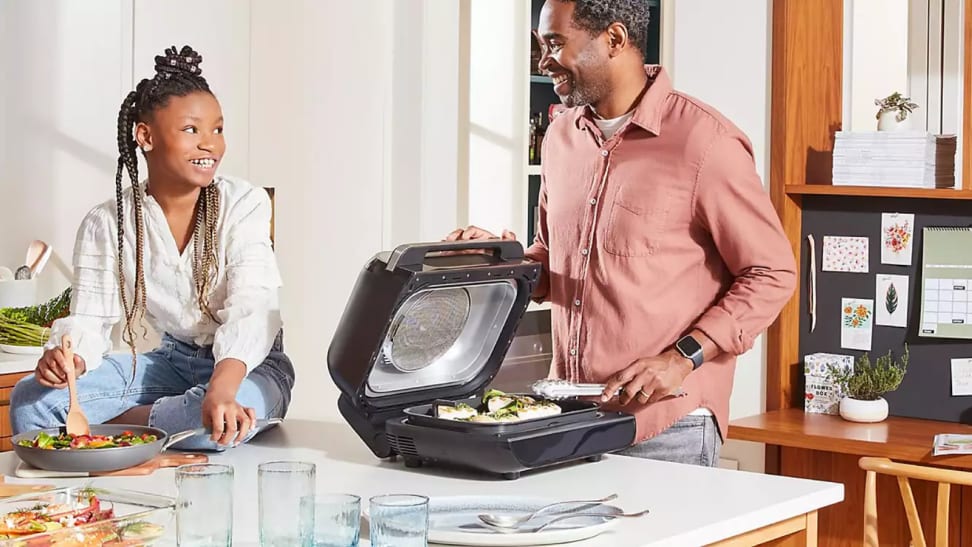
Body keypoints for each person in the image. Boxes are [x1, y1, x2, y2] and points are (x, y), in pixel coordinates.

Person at [447, 0, 796, 466]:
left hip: (667, 424)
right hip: (569, 414)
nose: (543, 60)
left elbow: (771, 273)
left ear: (614, 39)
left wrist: (681, 358)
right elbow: (556, 262)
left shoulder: (705, 142)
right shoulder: (561, 138)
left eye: (554, 43)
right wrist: (500, 262)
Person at [10, 45, 294, 450]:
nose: (210, 144)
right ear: (145, 135)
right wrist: (68, 360)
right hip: (171, 364)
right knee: (31, 401)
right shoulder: (108, 221)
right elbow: (89, 320)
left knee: (225, 415)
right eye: (192, 130)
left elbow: (253, 307)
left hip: (250, 368)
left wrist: (221, 388)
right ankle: (157, 429)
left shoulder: (244, 203)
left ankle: (114, 432)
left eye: (217, 129)